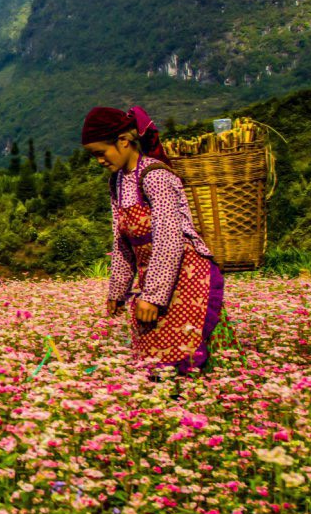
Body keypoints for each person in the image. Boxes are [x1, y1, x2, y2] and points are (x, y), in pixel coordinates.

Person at [80, 105, 224, 374]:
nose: (99, 160)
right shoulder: (118, 182)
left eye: (101, 152)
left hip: (188, 277)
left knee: (182, 357)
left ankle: (191, 408)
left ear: (123, 141)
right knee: (152, 360)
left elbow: (169, 238)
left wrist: (154, 296)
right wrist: (117, 291)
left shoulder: (155, 176)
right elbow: (122, 243)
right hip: (158, 279)